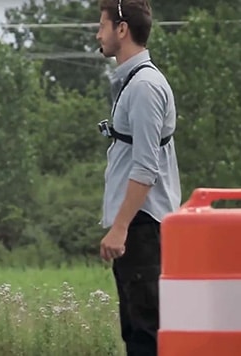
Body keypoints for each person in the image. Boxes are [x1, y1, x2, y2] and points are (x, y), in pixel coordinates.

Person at [95, 0, 181, 355]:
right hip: (138, 225)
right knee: (135, 328)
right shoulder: (132, 81)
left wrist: (120, 227)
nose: (97, 33)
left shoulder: (144, 87)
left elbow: (146, 167)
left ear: (121, 29)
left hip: (143, 226)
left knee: (146, 332)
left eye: (101, 25)